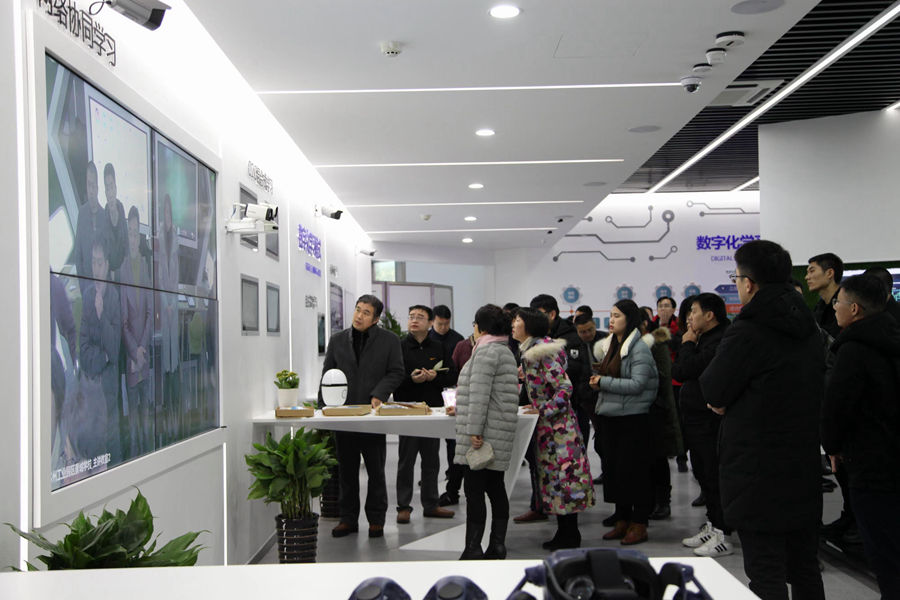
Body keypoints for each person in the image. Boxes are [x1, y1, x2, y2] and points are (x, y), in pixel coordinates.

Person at [700, 240, 825, 600]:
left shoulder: (748, 330)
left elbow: (714, 388)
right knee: (804, 567)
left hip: (756, 467)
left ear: (750, 284)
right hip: (801, 461)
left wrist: (727, 403)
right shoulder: (810, 327)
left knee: (765, 571)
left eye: (737, 278)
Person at [823, 274, 900, 599]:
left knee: (883, 548)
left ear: (854, 309)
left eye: (838, 302)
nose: (835, 308)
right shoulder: (893, 337)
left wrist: (832, 446)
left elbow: (838, 405)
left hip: (870, 462)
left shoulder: (853, 349)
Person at [320, 295, 404, 539]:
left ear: (376, 319)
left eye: (366, 313)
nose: (359, 316)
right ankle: (347, 519)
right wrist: (323, 408)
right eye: (358, 310)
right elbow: (327, 374)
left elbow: (396, 371)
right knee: (346, 472)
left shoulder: (389, 341)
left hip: (372, 416)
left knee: (376, 471)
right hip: (344, 416)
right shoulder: (337, 340)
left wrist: (379, 394)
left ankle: (376, 520)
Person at [514, 307, 593, 549]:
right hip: (549, 429)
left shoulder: (542, 352)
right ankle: (565, 533)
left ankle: (570, 535)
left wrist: (543, 410)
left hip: (559, 430)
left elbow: (564, 388)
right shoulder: (533, 350)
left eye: (517, 320)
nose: (513, 324)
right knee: (556, 481)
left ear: (529, 326)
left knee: (565, 480)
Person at [589, 299, 658, 546]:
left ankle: (639, 524)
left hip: (633, 419)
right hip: (612, 417)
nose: (611, 320)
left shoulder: (639, 348)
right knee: (616, 472)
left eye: (617, 316)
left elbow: (638, 385)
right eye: (610, 315)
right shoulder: (612, 345)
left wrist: (603, 382)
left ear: (629, 319)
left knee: (635, 474)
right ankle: (622, 519)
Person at [454, 304, 520, 560]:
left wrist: (474, 430)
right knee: (495, 488)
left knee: (474, 491)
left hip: (483, 434)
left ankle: (473, 548)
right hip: (497, 430)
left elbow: (479, 395)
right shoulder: (504, 350)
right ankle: (497, 545)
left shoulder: (485, 352)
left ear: (480, 327)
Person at [672, 293, 733, 557]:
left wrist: (687, 343)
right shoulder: (704, 338)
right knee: (703, 474)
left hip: (710, 421)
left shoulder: (720, 340)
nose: (689, 318)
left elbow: (685, 369)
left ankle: (723, 534)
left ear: (709, 315)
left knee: (713, 474)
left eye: (694, 312)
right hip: (695, 418)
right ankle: (713, 524)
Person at [394, 305, 456, 524]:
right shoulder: (399, 346)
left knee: (431, 460)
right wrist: (411, 379)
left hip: (432, 411)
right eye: (411, 316)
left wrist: (434, 378)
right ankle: (403, 506)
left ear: (430, 323)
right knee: (406, 461)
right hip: (408, 411)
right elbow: (392, 376)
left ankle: (431, 504)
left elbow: (452, 376)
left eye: (420, 317)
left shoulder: (439, 347)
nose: (414, 320)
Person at [79, 238, 122, 463]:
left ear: (106, 265)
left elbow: (114, 350)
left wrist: (101, 314)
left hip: (109, 391)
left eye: (99, 263)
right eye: (92, 263)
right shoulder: (87, 297)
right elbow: (83, 352)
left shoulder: (114, 297)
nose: (95, 269)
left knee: (112, 450)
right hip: (92, 389)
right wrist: (102, 357)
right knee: (95, 454)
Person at [638, 312, 682, 523]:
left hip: (656, 408)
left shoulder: (656, 344)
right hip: (636, 410)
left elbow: (664, 377)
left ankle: (663, 502)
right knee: (643, 461)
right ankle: (647, 501)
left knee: (658, 458)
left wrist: (640, 374)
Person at [119, 206, 153, 458]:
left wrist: (143, 348)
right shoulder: (122, 269)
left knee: (147, 419)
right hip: (133, 359)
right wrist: (135, 352)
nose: (133, 238)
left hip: (144, 354)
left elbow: (150, 313)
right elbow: (123, 322)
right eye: (129, 233)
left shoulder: (145, 265)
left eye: (135, 233)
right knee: (133, 425)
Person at [429, 304, 464, 496]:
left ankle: (453, 474)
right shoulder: (427, 338)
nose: (443, 327)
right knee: (430, 439)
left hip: (451, 392)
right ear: (432, 321)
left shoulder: (457, 339)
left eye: (446, 324)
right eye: (439, 324)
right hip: (431, 392)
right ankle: (429, 476)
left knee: (452, 439)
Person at [157, 194, 180, 445]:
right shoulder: (159, 238)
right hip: (165, 305)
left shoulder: (175, 238)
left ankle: (176, 417)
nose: (167, 216)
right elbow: (161, 276)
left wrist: (175, 302)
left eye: (169, 212)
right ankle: (167, 419)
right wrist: (166, 302)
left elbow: (176, 273)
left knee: (175, 363)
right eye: (164, 212)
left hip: (174, 302)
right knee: (166, 359)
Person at [575, 313, 607, 485]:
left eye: (590, 330)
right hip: (585, 397)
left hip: (605, 392)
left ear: (594, 326)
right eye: (583, 332)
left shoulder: (606, 340)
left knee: (604, 438)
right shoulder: (573, 345)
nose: (587, 334)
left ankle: (607, 471)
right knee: (585, 439)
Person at [73, 162, 111, 294]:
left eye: (93, 185)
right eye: (88, 185)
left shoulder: (105, 217)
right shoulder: (82, 214)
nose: (91, 190)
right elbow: (78, 254)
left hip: (103, 291)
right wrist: (83, 288)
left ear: (98, 188)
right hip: (86, 289)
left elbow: (108, 258)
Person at [806, 252, 843, 339]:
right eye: (807, 273)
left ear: (829, 273)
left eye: (812, 271)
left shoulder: (845, 304)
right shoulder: (819, 307)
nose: (807, 277)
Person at [102, 163, 128, 280]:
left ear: (116, 189)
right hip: (110, 281)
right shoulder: (103, 217)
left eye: (111, 187)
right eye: (107, 188)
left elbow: (127, 249)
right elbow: (103, 257)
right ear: (105, 192)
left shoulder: (121, 210)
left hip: (124, 278)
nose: (110, 193)